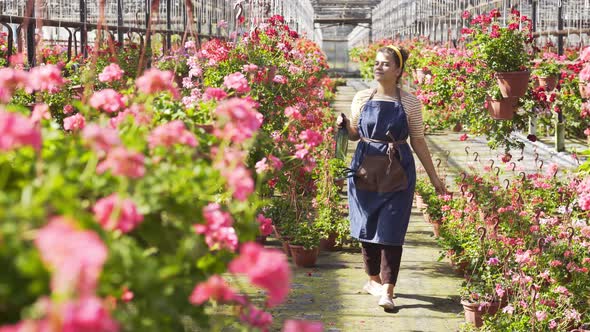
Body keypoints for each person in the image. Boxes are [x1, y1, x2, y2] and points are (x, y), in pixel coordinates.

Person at [337, 45, 446, 310]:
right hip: (364, 167)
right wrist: (343, 126)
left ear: (398, 70)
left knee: (392, 230)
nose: (378, 67)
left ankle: (388, 289)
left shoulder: (409, 102)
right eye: (376, 63)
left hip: (397, 168)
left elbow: (418, 141)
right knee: (366, 224)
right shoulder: (362, 97)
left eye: (385, 64)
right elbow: (354, 134)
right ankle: (372, 279)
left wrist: (434, 179)